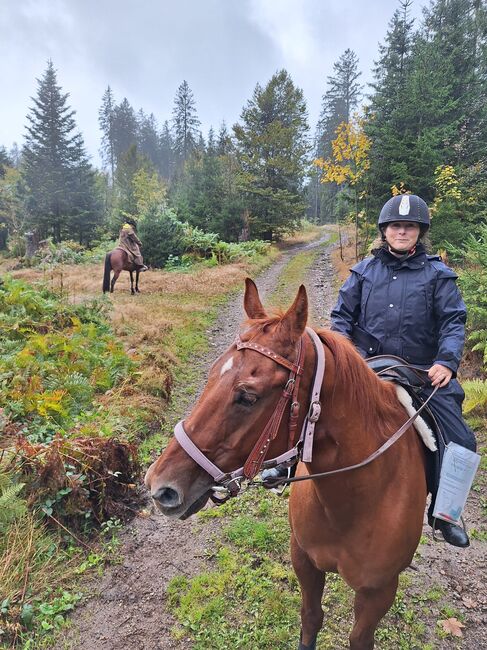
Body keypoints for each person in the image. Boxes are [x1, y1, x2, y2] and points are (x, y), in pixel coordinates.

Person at [330, 193, 476, 547]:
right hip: (368, 368)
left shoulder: (439, 275)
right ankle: (286, 466)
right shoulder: (363, 273)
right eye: (396, 225)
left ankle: (445, 513)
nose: (402, 231)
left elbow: (453, 322)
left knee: (462, 440)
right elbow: (340, 319)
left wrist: (447, 362)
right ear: (384, 231)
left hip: (422, 371)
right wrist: (344, 358)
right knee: (314, 403)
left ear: (419, 231)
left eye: (409, 226)